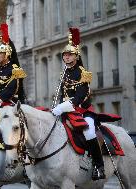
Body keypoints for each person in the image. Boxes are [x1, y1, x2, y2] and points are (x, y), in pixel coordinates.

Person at [51, 28, 106, 180]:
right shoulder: (64, 73)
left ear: (76, 56)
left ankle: (99, 166)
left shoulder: (83, 74)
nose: (66, 57)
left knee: (89, 133)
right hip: (66, 111)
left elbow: (80, 97)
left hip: (83, 111)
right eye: (65, 55)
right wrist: (57, 107)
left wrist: (62, 106)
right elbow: (62, 95)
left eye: (69, 55)